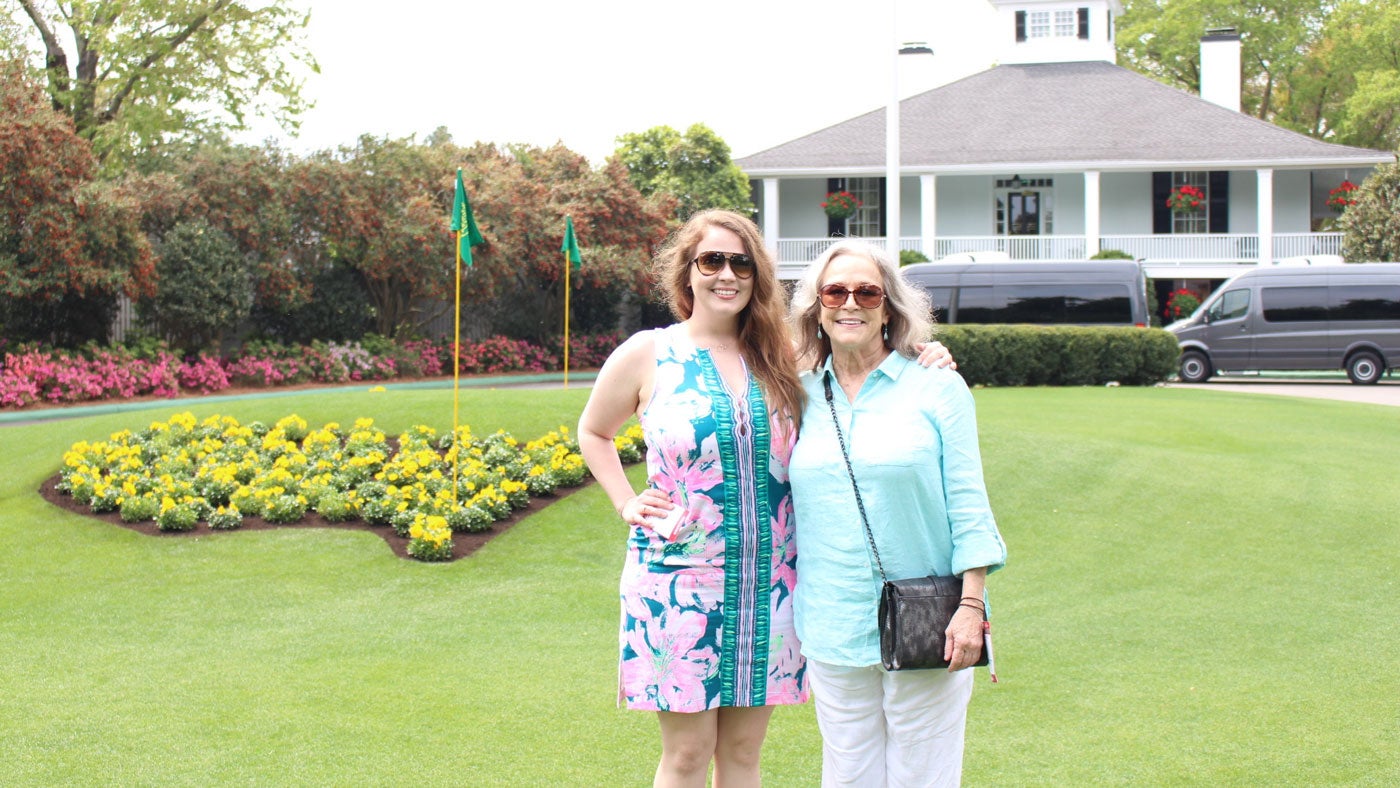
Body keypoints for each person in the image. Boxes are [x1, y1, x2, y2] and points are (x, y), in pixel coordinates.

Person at [577, 210, 808, 787]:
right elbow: (594, 431)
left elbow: (864, 359)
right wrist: (625, 501)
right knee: (686, 754)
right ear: (688, 271)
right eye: (712, 261)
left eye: (741, 263)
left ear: (758, 276)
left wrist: (928, 354)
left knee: (744, 752)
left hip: (771, 585)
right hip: (677, 583)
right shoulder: (649, 352)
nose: (726, 274)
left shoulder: (783, 356)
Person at [786, 239, 1007, 787]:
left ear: (888, 308)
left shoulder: (937, 387)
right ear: (817, 307)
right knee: (848, 774)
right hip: (833, 622)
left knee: (923, 776)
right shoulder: (796, 395)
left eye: (867, 292)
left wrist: (971, 605)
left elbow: (969, 504)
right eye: (835, 292)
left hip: (928, 619)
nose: (850, 303)